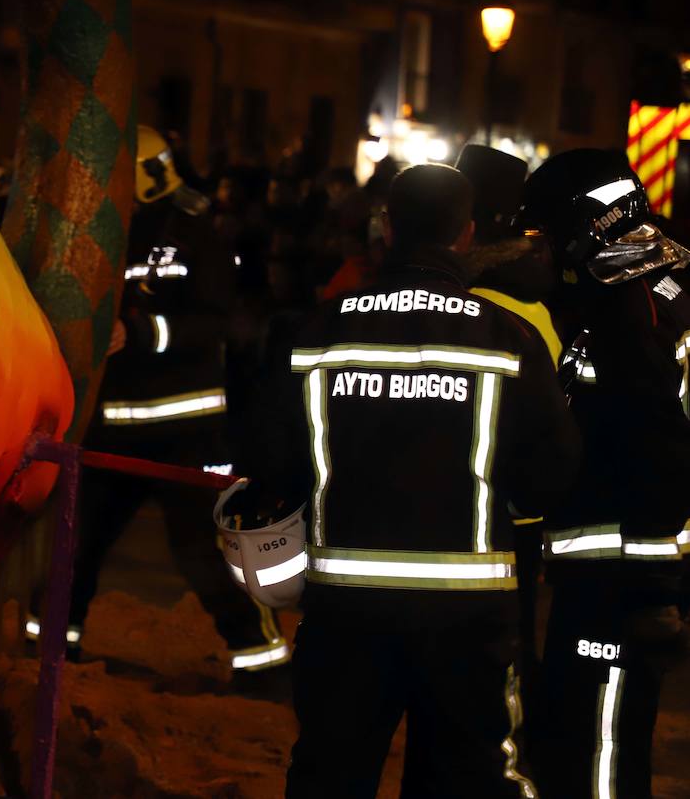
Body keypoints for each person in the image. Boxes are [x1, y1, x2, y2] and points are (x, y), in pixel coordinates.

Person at [245, 163, 580, 797]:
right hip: (467, 616)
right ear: (467, 234)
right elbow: (552, 473)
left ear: (387, 226)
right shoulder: (507, 337)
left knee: (329, 774)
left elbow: (269, 457)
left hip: (344, 607)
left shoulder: (319, 328)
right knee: (467, 777)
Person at [64, 125, 287, 673]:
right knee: (76, 546)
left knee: (201, 554)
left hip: (184, 432)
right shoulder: (104, 231)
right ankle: (49, 647)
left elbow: (213, 323)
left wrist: (139, 332)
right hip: (114, 428)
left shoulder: (195, 235)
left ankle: (261, 661)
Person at [518, 150, 690, 798]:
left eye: (542, 231)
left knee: (601, 749)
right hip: (618, 561)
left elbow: (659, 441)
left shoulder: (629, 298)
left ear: (581, 220)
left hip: (621, 570)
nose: (542, 247)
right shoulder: (658, 266)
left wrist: (652, 588)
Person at [455, 144, 561, 728]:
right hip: (511, 503)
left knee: (498, 663)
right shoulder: (533, 287)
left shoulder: (487, 296)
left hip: (486, 502)